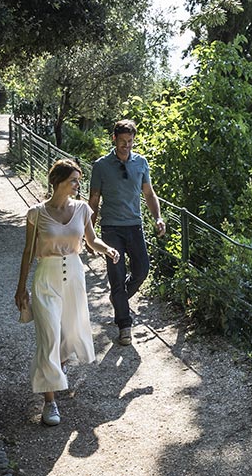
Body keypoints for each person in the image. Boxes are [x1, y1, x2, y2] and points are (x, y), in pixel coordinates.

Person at [15, 159, 120, 427]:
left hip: (74, 275)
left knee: (68, 334)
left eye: (78, 179)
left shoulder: (83, 209)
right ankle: (49, 402)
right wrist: (20, 287)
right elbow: (28, 252)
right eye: (74, 179)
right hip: (45, 279)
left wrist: (106, 248)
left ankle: (57, 368)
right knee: (49, 337)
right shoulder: (36, 213)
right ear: (58, 181)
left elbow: (91, 239)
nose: (78, 184)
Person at [90, 119, 164, 345]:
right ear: (114, 139)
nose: (126, 146)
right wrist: (88, 232)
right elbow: (93, 200)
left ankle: (118, 298)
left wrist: (158, 217)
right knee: (116, 275)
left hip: (134, 226)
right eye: (122, 141)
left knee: (142, 270)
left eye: (130, 142)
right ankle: (124, 324)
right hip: (111, 228)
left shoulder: (141, 163)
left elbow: (149, 195)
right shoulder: (101, 166)